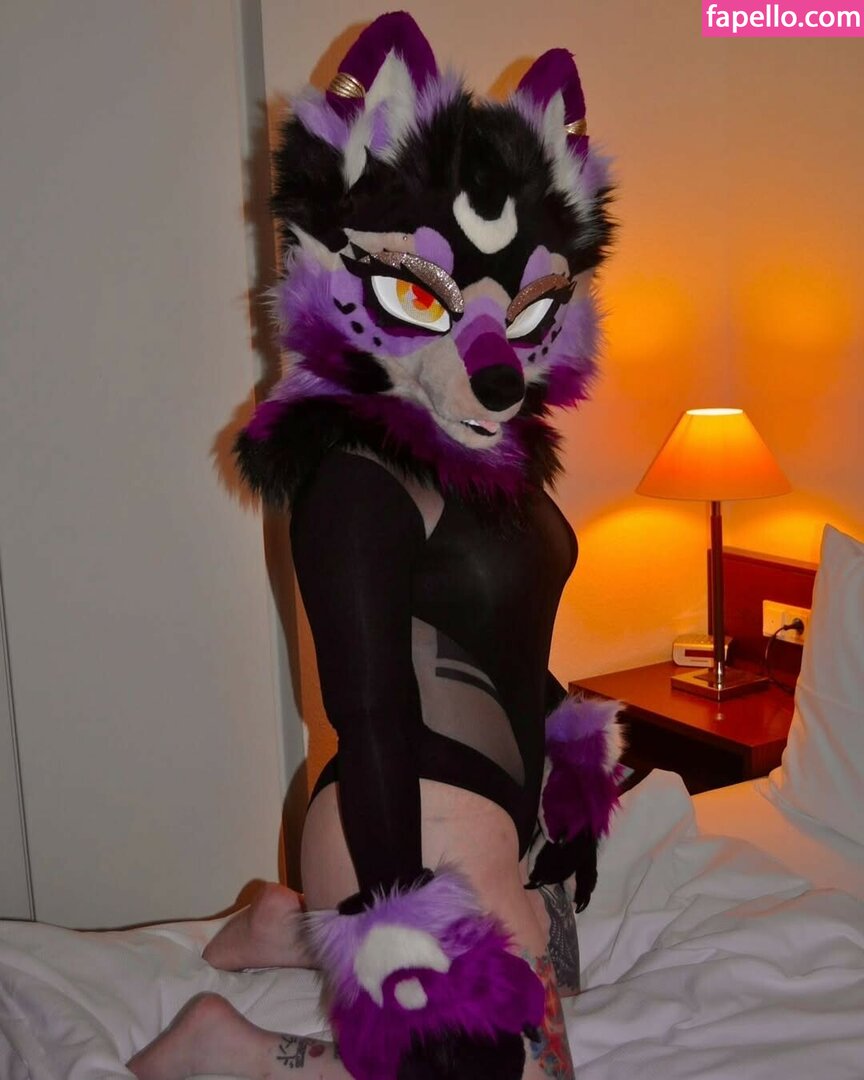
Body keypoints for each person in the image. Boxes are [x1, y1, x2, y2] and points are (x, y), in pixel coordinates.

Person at [128, 11, 622, 1079]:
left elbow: (498, 628)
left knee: (554, 982)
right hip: (402, 816)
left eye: (525, 312)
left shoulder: (489, 455)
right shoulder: (357, 480)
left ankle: (280, 928)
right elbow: (371, 712)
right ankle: (229, 1042)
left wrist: (569, 746)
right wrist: (397, 920)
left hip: (497, 809)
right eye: (422, 296)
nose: (496, 361)